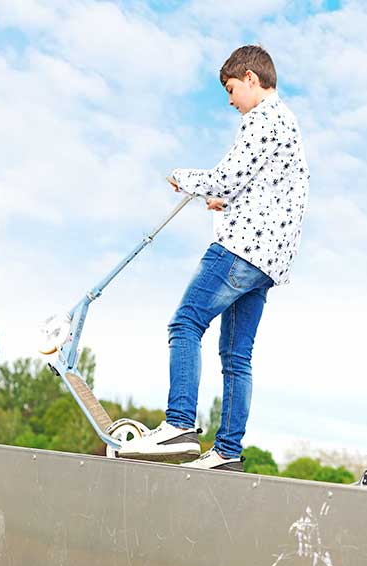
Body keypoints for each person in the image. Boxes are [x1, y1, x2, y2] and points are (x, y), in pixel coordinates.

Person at [120, 44, 309, 471]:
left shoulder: (262, 119)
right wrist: (226, 201)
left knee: (185, 323)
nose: (229, 100)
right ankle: (226, 452)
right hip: (269, 260)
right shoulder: (288, 123)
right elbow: (268, 187)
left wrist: (182, 177)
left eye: (230, 89)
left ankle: (179, 426)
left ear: (250, 78)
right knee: (237, 356)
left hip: (241, 249)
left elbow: (226, 176)